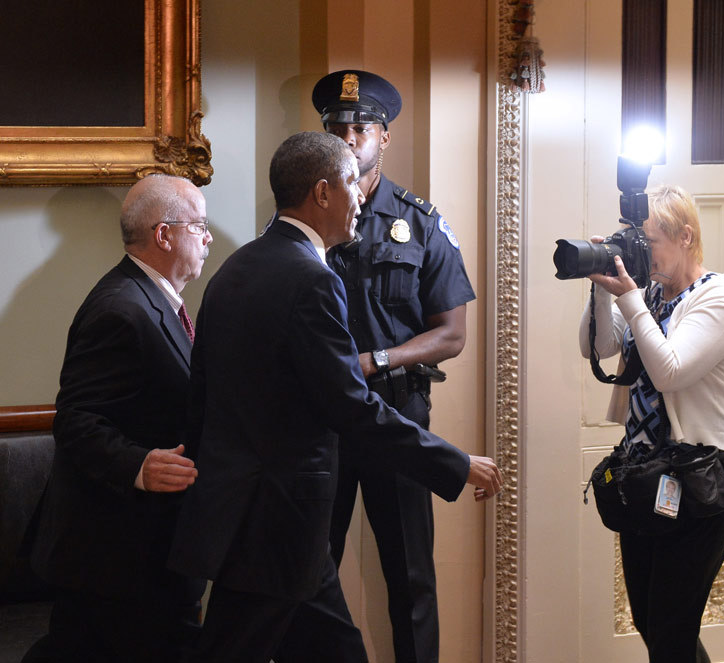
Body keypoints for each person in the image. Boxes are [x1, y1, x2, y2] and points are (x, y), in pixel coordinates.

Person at [167, 132, 501, 663]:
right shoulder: (310, 278)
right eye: (350, 183)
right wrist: (455, 464)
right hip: (280, 522)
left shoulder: (236, 268)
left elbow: (202, 397)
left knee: (331, 649)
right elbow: (351, 405)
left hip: (252, 515)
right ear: (322, 194)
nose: (361, 197)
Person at [310, 69, 476, 663]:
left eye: (362, 126)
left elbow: (453, 334)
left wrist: (376, 361)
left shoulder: (420, 221)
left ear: (385, 136)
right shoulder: (304, 219)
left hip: (397, 411)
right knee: (311, 568)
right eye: (337, 127)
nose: (349, 135)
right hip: (323, 420)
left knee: (410, 575)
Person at [27, 174, 213, 662]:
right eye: (200, 225)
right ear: (164, 235)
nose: (210, 237)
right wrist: (138, 465)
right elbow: (75, 420)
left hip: (147, 557)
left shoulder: (152, 299)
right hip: (115, 561)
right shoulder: (120, 309)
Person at [579, 184, 724, 663]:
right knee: (652, 621)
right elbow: (601, 347)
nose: (641, 252)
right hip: (645, 476)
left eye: (648, 242)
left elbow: (668, 370)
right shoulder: (649, 293)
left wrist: (631, 298)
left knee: (672, 627)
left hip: (701, 477)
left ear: (686, 237)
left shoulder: (720, 297)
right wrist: (600, 283)